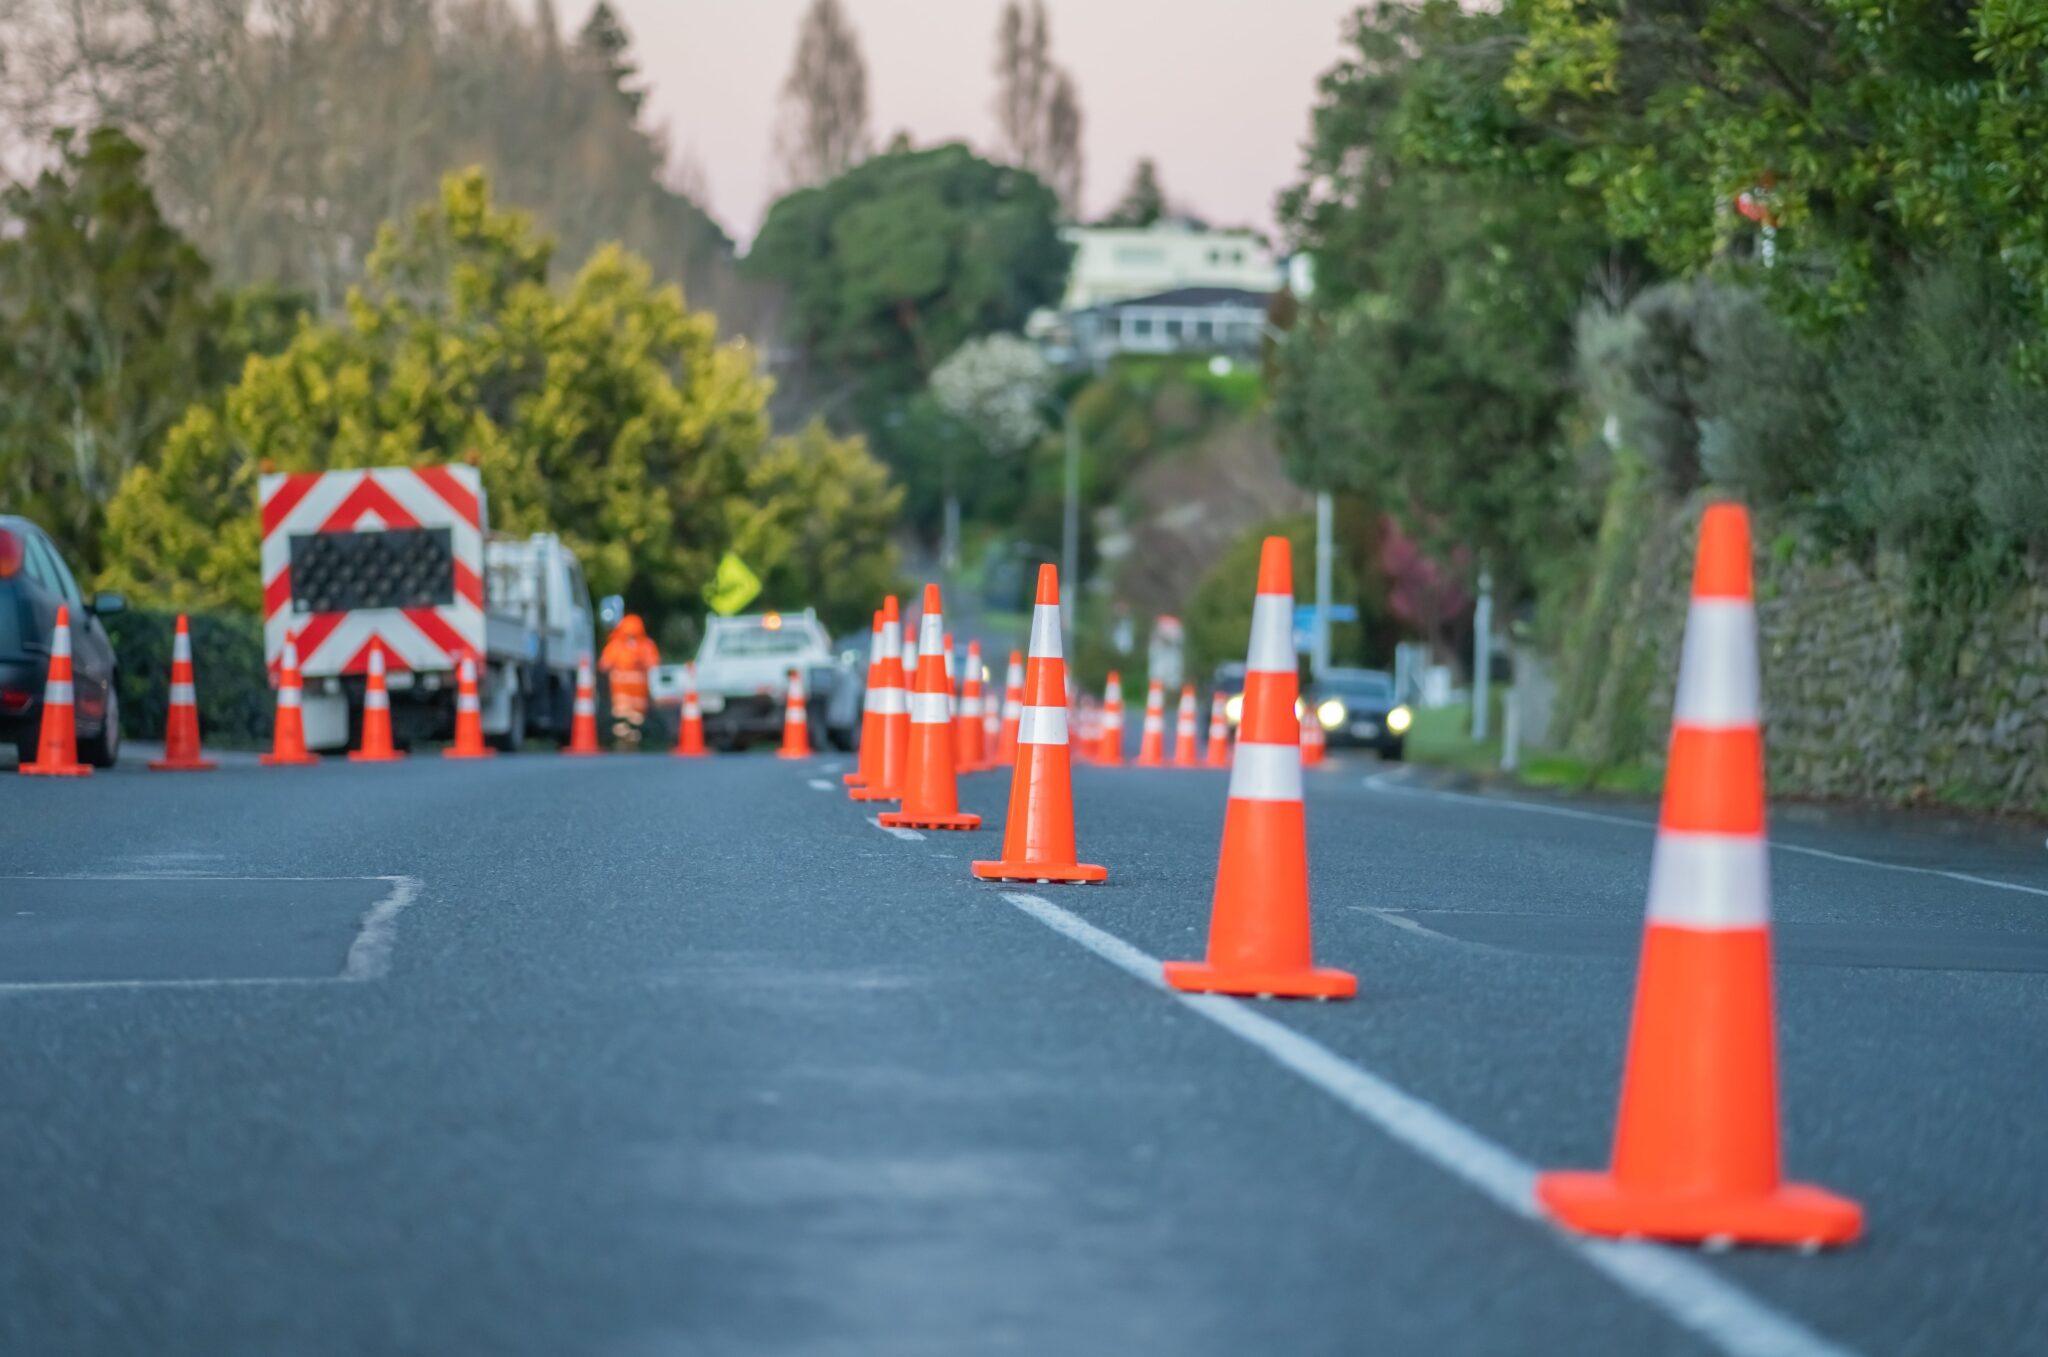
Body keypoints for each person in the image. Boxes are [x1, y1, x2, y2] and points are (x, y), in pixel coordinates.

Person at [598, 614, 661, 749]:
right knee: (632, 725)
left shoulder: (616, 645)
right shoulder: (646, 646)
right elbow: (654, 666)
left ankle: (625, 744)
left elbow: (604, 665)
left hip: (623, 700)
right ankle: (629, 744)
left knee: (623, 725)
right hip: (636, 701)